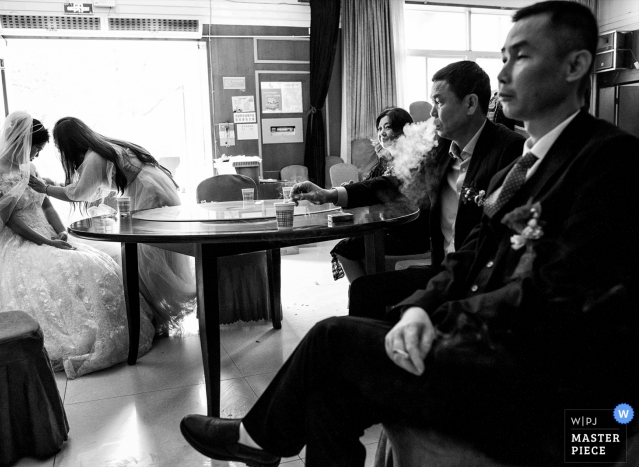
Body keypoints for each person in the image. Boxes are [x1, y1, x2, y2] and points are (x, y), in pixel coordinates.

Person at [179, 2, 639, 466]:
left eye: (520, 56)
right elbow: (469, 253)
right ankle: (265, 437)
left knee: (330, 339)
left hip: (532, 377)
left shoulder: (610, 160)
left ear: (576, 65)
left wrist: (445, 320)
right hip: (484, 343)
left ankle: (261, 437)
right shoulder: (521, 167)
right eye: (503, 57)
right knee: (326, 391)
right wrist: (420, 307)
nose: (501, 75)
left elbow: (563, 294)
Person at [294, 61, 524, 317]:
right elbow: (396, 182)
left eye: (439, 102)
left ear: (470, 104)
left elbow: (500, 237)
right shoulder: (441, 149)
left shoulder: (509, 150)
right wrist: (331, 194)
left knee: (392, 317)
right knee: (363, 289)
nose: (432, 113)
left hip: (480, 277)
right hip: (443, 271)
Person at [0, 111, 156, 378]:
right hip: (17, 239)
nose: (36, 157)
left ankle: (122, 329)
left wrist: (60, 232)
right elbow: (11, 222)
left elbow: (46, 204)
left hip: (46, 233)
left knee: (92, 261)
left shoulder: (29, 169)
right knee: (67, 268)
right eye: (36, 150)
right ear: (21, 142)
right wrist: (45, 242)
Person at [28, 117, 196, 333]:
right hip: (154, 187)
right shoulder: (103, 148)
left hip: (148, 193)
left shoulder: (94, 157)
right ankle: (156, 313)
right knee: (152, 253)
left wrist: (46, 189)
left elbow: (81, 193)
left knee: (148, 255)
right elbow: (94, 187)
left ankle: (156, 315)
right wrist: (57, 186)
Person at [329, 107, 430, 283]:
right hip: (387, 228)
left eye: (387, 127)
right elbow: (371, 189)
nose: (382, 133)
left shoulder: (413, 160)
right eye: (380, 128)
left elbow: (387, 188)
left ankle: (364, 295)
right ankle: (363, 292)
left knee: (345, 248)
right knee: (350, 246)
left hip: (408, 233)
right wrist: (353, 189)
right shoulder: (384, 162)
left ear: (403, 128)